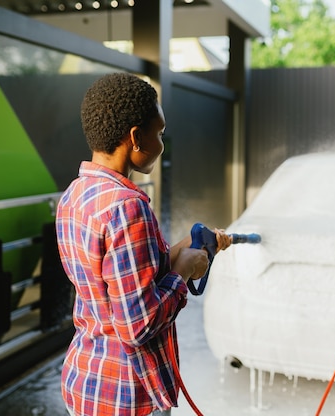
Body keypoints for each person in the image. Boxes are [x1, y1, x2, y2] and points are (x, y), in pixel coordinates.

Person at [55, 72, 231, 416]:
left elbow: (119, 281)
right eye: (160, 133)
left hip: (87, 379)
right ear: (136, 137)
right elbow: (138, 325)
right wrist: (184, 272)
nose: (163, 142)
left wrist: (182, 249)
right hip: (126, 394)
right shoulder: (127, 206)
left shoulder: (75, 195)